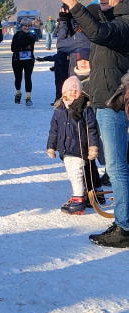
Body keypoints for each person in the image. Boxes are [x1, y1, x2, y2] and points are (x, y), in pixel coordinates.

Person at [57, 0, 129, 248]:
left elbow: (99, 34)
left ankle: (124, 227)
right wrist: (84, 96)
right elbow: (90, 36)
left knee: (116, 167)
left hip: (115, 102)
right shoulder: (107, 16)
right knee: (114, 165)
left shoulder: (124, 22)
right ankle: (124, 220)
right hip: (101, 98)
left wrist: (75, 4)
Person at [47, 75, 103, 214]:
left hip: (80, 148)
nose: (73, 92)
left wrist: (93, 147)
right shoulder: (59, 109)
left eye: (76, 90)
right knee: (78, 173)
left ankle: (78, 199)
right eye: (70, 90)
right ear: (64, 92)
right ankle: (88, 194)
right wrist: (51, 146)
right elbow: (54, 130)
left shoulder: (85, 109)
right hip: (65, 149)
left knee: (75, 174)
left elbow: (91, 129)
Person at [11, 19, 36, 105]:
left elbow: (31, 47)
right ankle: (18, 93)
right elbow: (13, 48)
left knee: (28, 77)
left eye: (29, 25)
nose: (27, 27)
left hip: (29, 60)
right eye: (25, 25)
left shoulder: (32, 36)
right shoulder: (17, 35)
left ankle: (28, 97)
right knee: (18, 78)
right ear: (21, 26)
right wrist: (23, 48)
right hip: (17, 60)